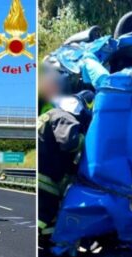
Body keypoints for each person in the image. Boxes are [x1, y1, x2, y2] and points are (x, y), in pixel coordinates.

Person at [38, 90, 95, 241]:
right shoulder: (65, 117)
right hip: (45, 177)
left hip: (43, 172)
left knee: (48, 214)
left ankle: (47, 243)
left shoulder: (53, 114)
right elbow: (70, 143)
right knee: (45, 212)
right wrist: (88, 140)